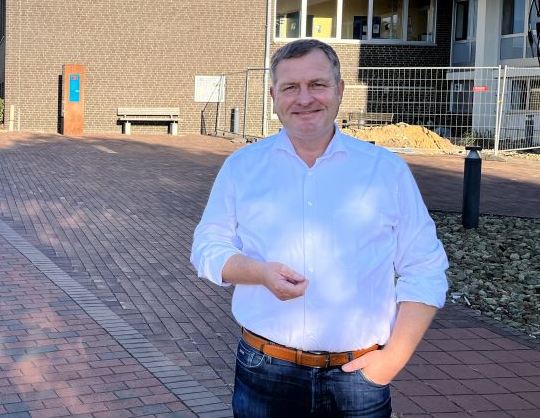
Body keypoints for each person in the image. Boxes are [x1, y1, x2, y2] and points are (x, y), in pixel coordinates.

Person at [190, 39, 448, 417]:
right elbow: (207, 248)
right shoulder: (242, 168)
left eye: (318, 85)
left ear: (340, 90)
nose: (304, 98)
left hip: (359, 377)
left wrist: (392, 359)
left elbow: (424, 266)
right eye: (291, 87)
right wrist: (259, 273)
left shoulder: (385, 171)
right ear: (274, 95)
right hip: (266, 371)